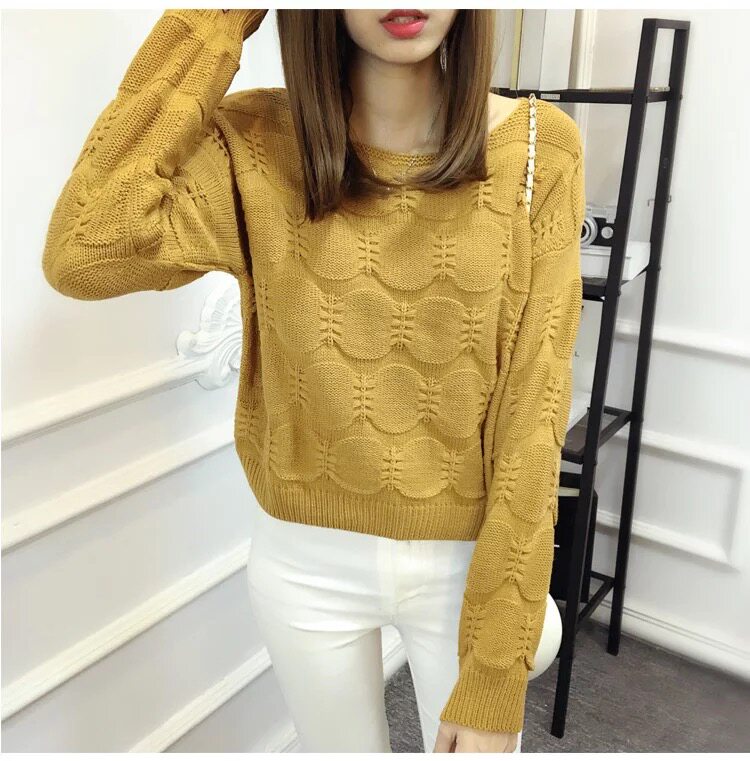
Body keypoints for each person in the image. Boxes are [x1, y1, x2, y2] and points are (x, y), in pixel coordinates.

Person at [41, 8, 585, 753]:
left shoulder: (540, 151)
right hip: (302, 560)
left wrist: (495, 668)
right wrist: (219, 17)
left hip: (466, 565)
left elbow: (534, 415)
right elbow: (85, 249)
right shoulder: (255, 144)